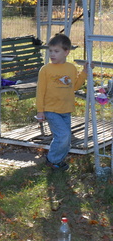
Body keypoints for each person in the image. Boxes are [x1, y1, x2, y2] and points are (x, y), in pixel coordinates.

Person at [36, 33, 91, 171]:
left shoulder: (71, 68)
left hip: (66, 109)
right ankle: (52, 160)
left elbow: (75, 86)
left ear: (66, 52)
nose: (52, 54)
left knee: (65, 139)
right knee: (63, 135)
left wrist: (84, 72)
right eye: (50, 51)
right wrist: (40, 111)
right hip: (51, 109)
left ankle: (58, 159)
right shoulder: (46, 69)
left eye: (56, 51)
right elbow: (40, 91)